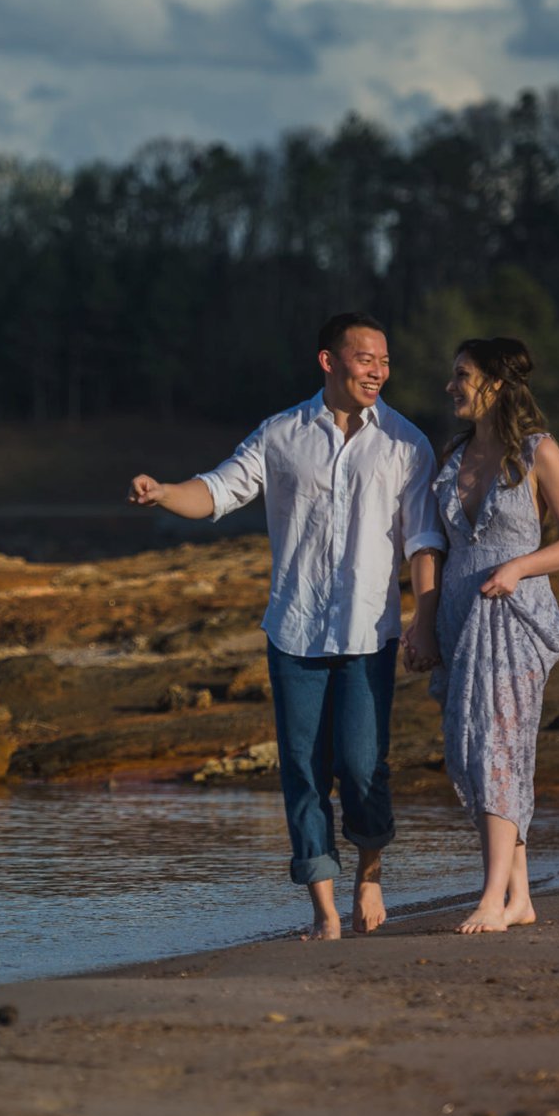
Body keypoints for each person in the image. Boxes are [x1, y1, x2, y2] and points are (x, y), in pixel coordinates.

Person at [128, 313, 444, 941]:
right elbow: (218, 490)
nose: (378, 370)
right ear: (328, 362)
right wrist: (164, 492)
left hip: (368, 635)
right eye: (364, 358)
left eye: (384, 360)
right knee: (301, 769)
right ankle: (324, 912)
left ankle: (370, 870)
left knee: (360, 766)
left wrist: (424, 620)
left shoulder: (408, 443)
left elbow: (423, 542)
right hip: (293, 632)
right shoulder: (281, 434)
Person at [428, 337, 559, 935]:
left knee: (499, 747)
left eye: (462, 375)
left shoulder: (537, 450)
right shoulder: (454, 454)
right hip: (457, 616)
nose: (451, 385)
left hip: (515, 615)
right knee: (476, 754)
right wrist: (422, 623)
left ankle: (492, 897)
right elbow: (436, 546)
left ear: (495, 382)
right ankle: (521, 896)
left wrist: (519, 567)